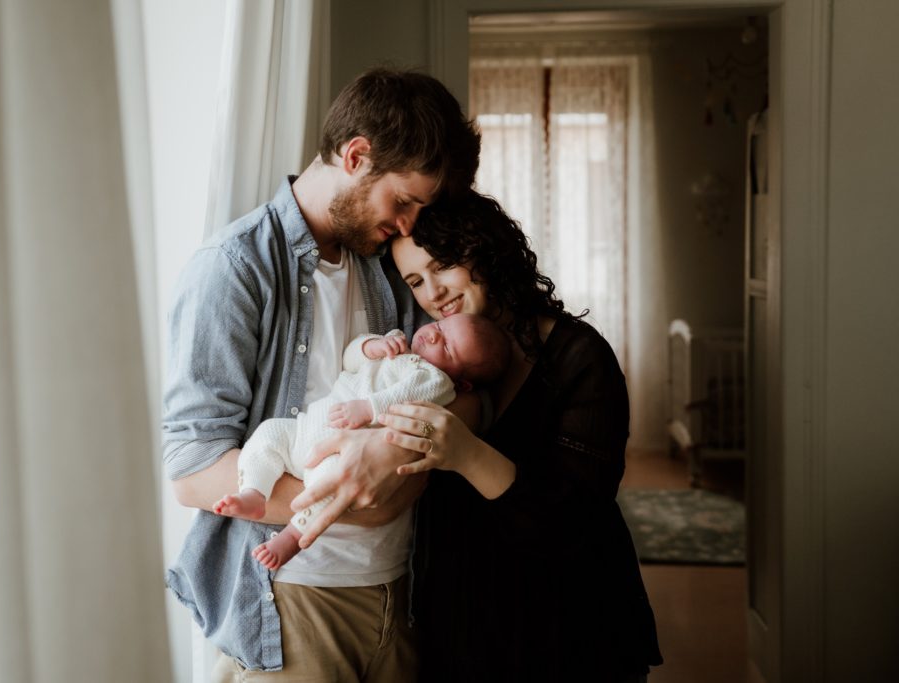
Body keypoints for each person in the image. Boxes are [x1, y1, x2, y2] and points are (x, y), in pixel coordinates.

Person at [162, 66, 480, 681]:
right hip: (291, 601)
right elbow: (193, 470)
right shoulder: (234, 268)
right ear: (357, 155)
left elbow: (462, 393)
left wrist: (390, 466)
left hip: (402, 591)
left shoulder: (393, 266)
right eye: (404, 202)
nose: (410, 226)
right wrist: (356, 504)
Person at [292, 192, 663, 682]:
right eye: (416, 282)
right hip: (466, 619)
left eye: (443, 266)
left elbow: (576, 521)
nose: (434, 294)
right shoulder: (432, 365)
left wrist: (467, 455)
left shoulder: (580, 358)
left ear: (485, 250)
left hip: (567, 623)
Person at [215, 313, 510, 570]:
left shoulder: (437, 382)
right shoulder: (397, 344)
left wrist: (370, 408)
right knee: (269, 434)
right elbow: (350, 358)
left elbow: (405, 398)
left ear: (462, 383)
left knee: (329, 486)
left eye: (446, 345)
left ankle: (292, 536)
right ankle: (254, 492)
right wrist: (371, 347)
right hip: (306, 429)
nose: (432, 335)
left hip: (340, 449)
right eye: (440, 326)